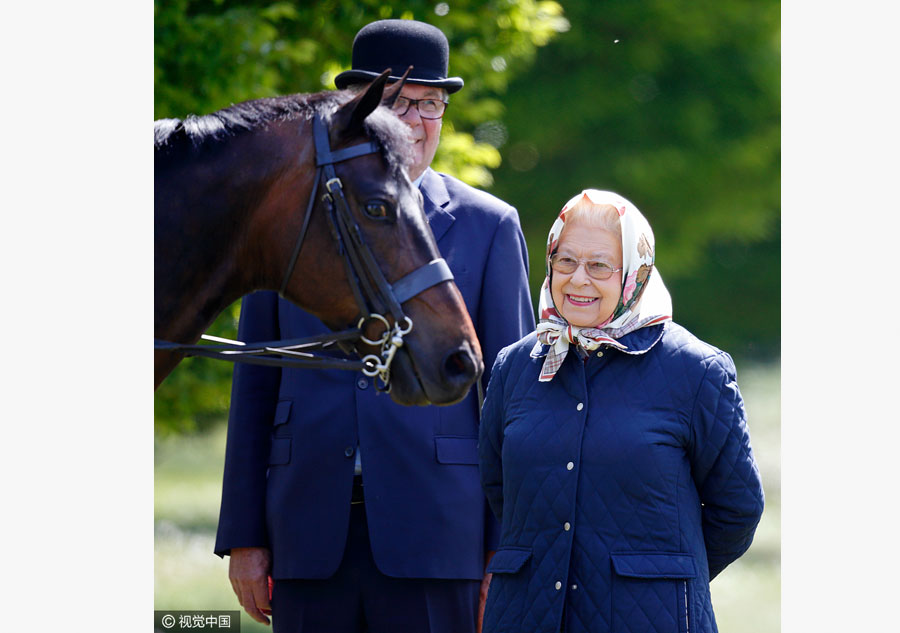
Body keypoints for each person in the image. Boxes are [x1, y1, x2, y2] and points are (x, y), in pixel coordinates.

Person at [214, 18, 535, 633]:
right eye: (395, 103)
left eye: (430, 105)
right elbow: (255, 380)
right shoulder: (284, 219)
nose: (415, 121)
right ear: (355, 110)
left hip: (441, 535)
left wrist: (506, 548)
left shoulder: (488, 225)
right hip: (304, 533)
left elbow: (510, 400)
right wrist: (245, 537)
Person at [478, 189, 764, 633]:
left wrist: (663, 577)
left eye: (599, 266)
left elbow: (737, 508)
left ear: (634, 272)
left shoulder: (696, 370)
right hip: (524, 616)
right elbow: (499, 489)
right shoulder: (515, 365)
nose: (578, 280)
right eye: (565, 261)